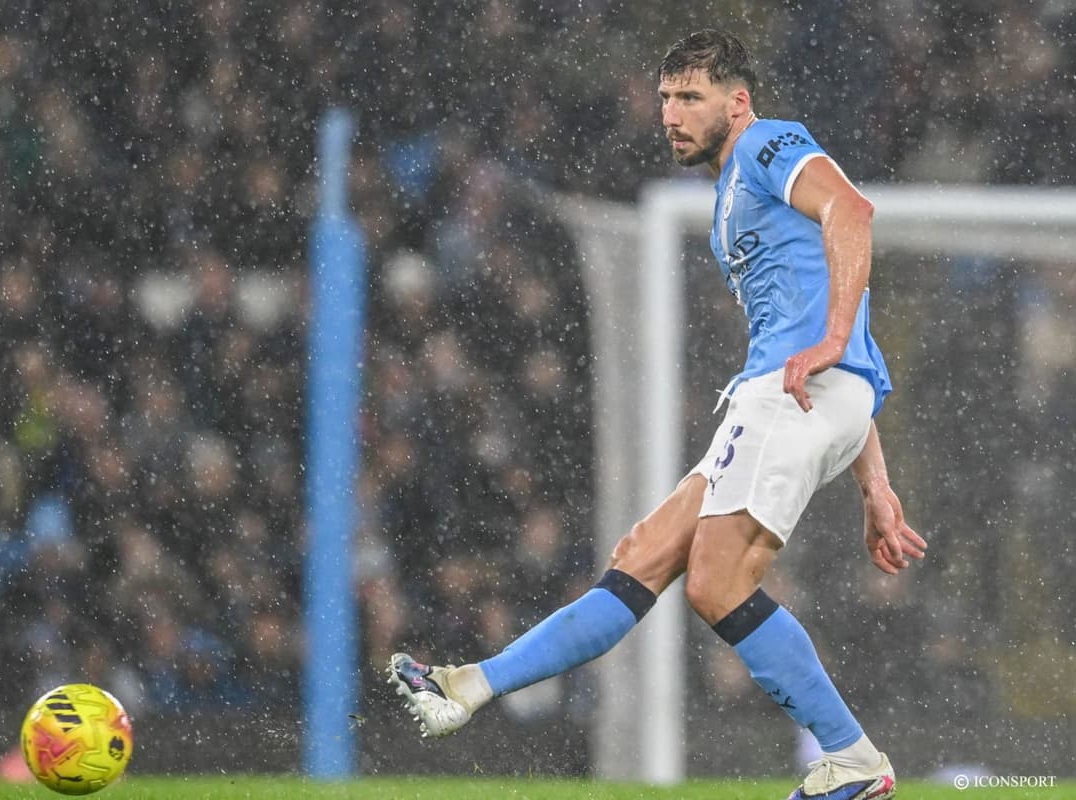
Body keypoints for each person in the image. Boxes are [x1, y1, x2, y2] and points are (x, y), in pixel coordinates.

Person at [388, 29, 926, 800]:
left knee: (715, 583)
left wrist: (834, 340)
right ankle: (471, 684)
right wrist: (873, 482)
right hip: (801, 395)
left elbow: (852, 210)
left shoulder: (768, 146)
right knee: (642, 554)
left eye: (691, 97)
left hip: (789, 393)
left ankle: (851, 758)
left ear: (737, 104)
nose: (671, 113)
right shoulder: (725, 206)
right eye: (665, 98)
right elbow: (829, 343)